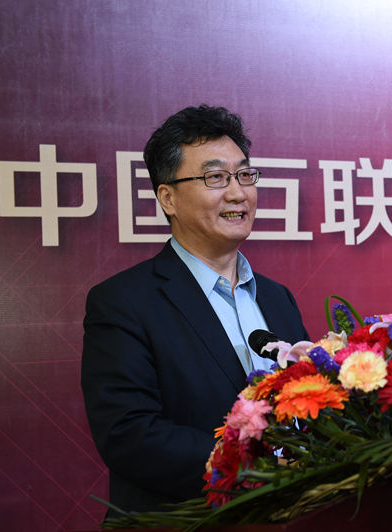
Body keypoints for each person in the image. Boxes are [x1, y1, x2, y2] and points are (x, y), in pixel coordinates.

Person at [81, 105, 310, 517]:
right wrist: (257, 467)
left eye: (244, 175)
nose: (238, 193)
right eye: (215, 177)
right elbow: (128, 434)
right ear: (168, 198)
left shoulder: (278, 299)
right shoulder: (123, 302)